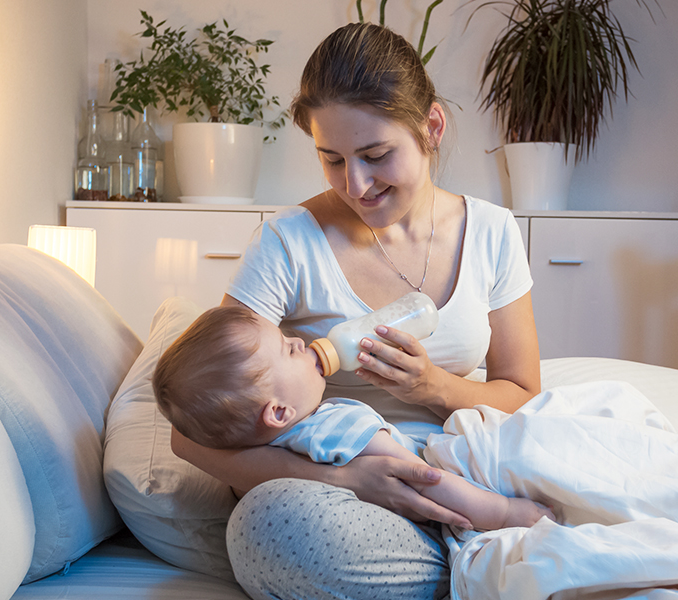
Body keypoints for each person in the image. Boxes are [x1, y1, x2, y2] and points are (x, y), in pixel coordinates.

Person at [169, 22, 540, 600]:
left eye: (375, 155)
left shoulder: (491, 231)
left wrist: (434, 387)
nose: (356, 184)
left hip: (460, 468)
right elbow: (189, 439)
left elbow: (521, 390)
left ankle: (483, 545)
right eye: (332, 159)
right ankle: (494, 558)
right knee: (268, 528)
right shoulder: (289, 242)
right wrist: (346, 477)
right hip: (338, 497)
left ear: (431, 128)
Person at [153, 304, 554, 532]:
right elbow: (425, 480)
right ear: (278, 412)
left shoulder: (279, 443)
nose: (297, 339)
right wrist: (504, 514)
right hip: (461, 490)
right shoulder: (334, 428)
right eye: (288, 350)